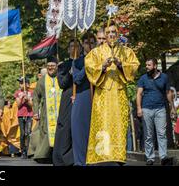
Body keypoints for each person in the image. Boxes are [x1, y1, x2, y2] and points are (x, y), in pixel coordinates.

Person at [85, 20, 139, 165]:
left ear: (117, 33)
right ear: (104, 34)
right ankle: (101, 156)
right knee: (102, 123)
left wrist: (121, 65)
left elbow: (134, 66)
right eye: (108, 33)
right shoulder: (96, 52)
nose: (111, 35)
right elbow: (89, 67)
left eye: (113, 32)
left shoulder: (126, 51)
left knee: (119, 125)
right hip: (102, 95)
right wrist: (102, 66)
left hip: (119, 95)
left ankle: (118, 155)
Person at [136, 58, 175, 166]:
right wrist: (139, 108)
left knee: (161, 134)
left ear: (155, 66)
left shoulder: (164, 77)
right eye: (146, 65)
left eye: (149, 65)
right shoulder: (143, 78)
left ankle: (163, 157)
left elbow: (168, 93)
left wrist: (172, 107)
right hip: (146, 109)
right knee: (148, 135)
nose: (146, 67)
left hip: (160, 109)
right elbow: (139, 94)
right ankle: (150, 158)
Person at [71, 33, 96, 166]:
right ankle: (80, 163)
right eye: (86, 43)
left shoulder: (101, 59)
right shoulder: (78, 62)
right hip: (83, 97)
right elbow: (77, 79)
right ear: (83, 45)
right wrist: (87, 66)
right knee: (81, 134)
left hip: (97, 99)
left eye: (92, 42)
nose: (89, 45)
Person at [53, 40, 78, 166]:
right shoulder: (64, 65)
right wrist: (69, 73)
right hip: (68, 98)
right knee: (65, 127)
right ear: (68, 50)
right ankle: (63, 158)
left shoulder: (85, 62)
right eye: (72, 46)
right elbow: (62, 84)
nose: (74, 48)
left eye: (77, 46)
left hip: (81, 96)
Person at [31, 56, 61, 163]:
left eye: (53, 66)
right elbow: (35, 97)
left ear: (57, 66)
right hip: (46, 113)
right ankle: (44, 155)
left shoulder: (61, 77)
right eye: (48, 66)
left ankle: (58, 155)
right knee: (46, 133)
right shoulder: (42, 80)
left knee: (60, 133)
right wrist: (35, 112)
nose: (50, 68)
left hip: (60, 112)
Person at [14, 76, 33, 159]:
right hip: (21, 115)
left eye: (22, 83)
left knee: (28, 133)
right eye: (20, 83)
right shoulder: (17, 92)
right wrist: (22, 98)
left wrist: (28, 99)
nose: (20, 84)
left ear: (27, 84)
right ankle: (23, 151)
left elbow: (32, 105)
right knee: (22, 134)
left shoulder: (31, 92)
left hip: (29, 114)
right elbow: (18, 105)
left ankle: (29, 151)